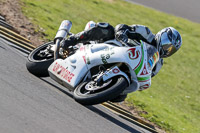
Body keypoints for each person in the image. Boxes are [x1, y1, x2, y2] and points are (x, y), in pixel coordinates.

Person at [61, 21, 182, 102]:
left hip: (126, 68)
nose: (167, 49)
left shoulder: (158, 64)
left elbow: (146, 76)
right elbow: (123, 27)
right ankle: (71, 40)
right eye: (167, 44)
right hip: (115, 46)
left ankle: (95, 84)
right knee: (106, 28)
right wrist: (122, 34)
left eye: (171, 49)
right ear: (162, 35)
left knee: (121, 97)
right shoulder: (146, 33)